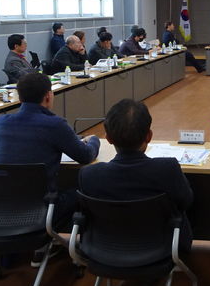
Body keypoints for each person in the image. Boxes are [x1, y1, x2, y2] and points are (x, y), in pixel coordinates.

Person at [0, 73, 100, 238]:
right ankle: (67, 241)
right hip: (43, 208)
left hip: (1, 207)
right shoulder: (55, 125)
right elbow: (85, 156)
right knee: (87, 188)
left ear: (20, 98)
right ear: (48, 96)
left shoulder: (1, 122)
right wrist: (94, 141)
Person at [79, 99, 193, 253]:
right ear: (149, 136)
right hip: (162, 249)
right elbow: (186, 201)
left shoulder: (89, 175)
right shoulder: (167, 169)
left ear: (108, 138)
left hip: (105, 250)